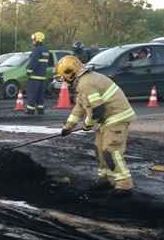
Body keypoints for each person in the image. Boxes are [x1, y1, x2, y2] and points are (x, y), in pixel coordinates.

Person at [57, 55, 136, 196]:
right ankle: (105, 178)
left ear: (70, 73)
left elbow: (98, 110)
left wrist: (87, 124)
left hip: (116, 117)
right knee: (99, 148)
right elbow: (79, 107)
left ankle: (124, 184)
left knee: (110, 149)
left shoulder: (85, 83)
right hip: (107, 119)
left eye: (63, 76)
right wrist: (68, 127)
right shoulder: (83, 82)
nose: (63, 80)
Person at [25, 32, 50, 115]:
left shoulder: (36, 50)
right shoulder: (46, 50)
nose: (33, 41)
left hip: (34, 77)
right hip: (42, 77)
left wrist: (28, 71)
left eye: (34, 40)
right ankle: (40, 110)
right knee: (40, 96)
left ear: (37, 40)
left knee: (32, 94)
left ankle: (30, 110)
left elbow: (33, 62)